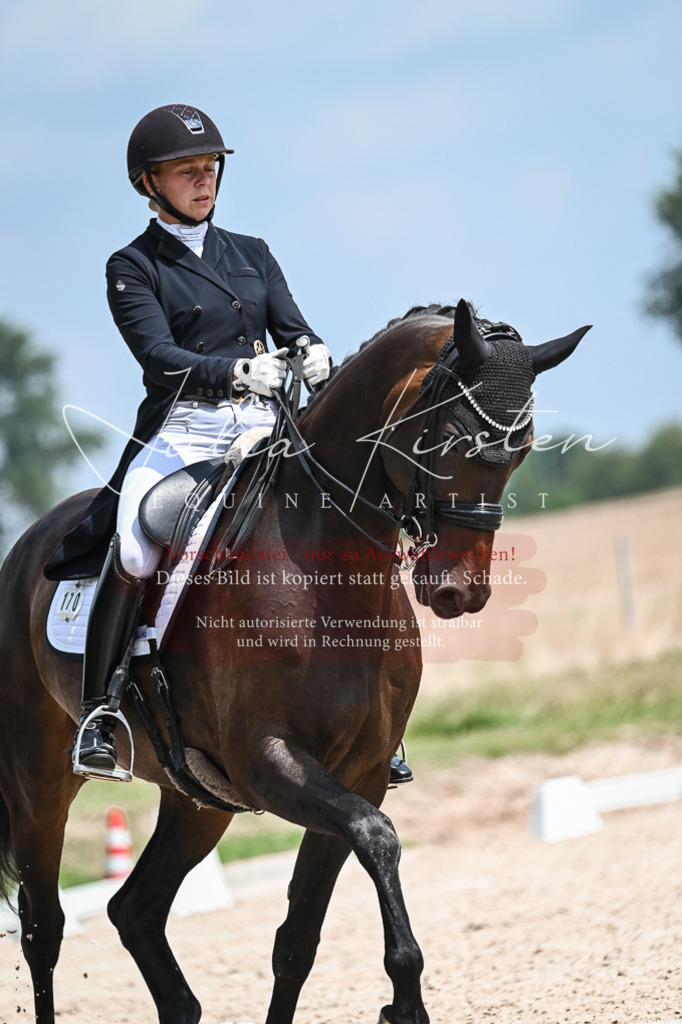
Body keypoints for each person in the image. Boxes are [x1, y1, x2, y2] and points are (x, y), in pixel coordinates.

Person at [45, 103, 412, 785]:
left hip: (267, 429)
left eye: (209, 167)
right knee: (132, 542)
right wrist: (235, 370)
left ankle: (374, 715)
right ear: (148, 184)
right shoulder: (133, 266)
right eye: (186, 171)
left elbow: (293, 325)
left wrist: (311, 353)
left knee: (343, 528)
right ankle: (101, 711)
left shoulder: (253, 253)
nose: (203, 179)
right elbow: (157, 354)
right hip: (184, 432)